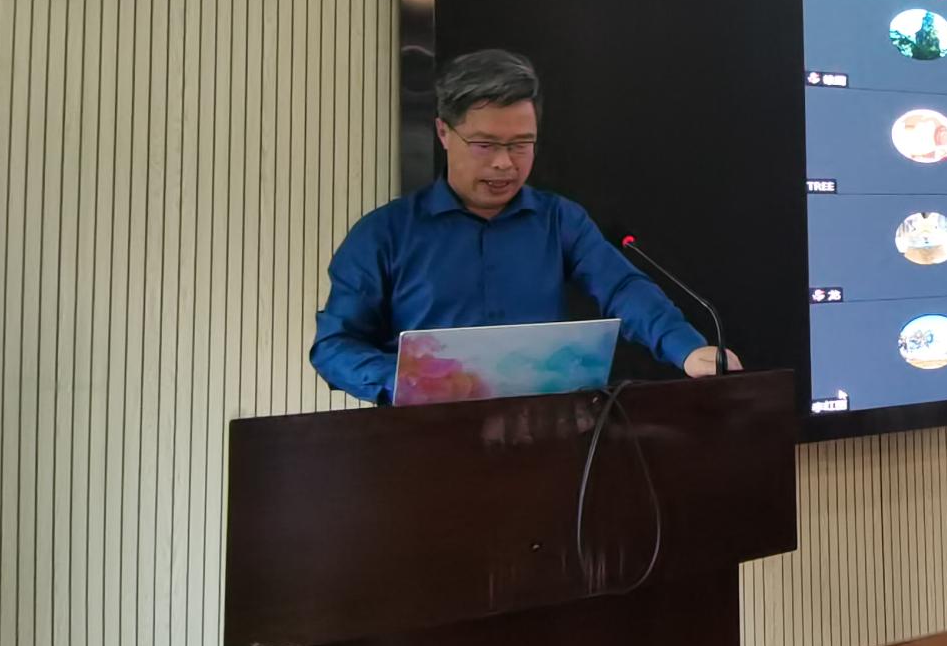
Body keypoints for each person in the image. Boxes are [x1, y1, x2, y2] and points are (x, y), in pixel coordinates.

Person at [310, 49, 738, 403]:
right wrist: (410, 383)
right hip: (423, 443)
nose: (504, 163)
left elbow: (622, 289)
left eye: (521, 145)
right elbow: (334, 345)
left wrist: (687, 349)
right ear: (443, 132)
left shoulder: (560, 221)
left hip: (544, 441)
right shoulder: (383, 235)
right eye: (485, 145)